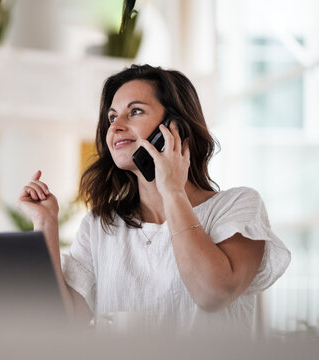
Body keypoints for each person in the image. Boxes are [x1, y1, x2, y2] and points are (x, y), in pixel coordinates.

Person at [17, 64, 291, 335]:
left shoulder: (236, 207)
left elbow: (212, 294)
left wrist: (172, 190)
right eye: (112, 117)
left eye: (135, 111)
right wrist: (45, 224)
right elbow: (60, 321)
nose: (116, 127)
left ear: (175, 128)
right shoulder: (100, 225)